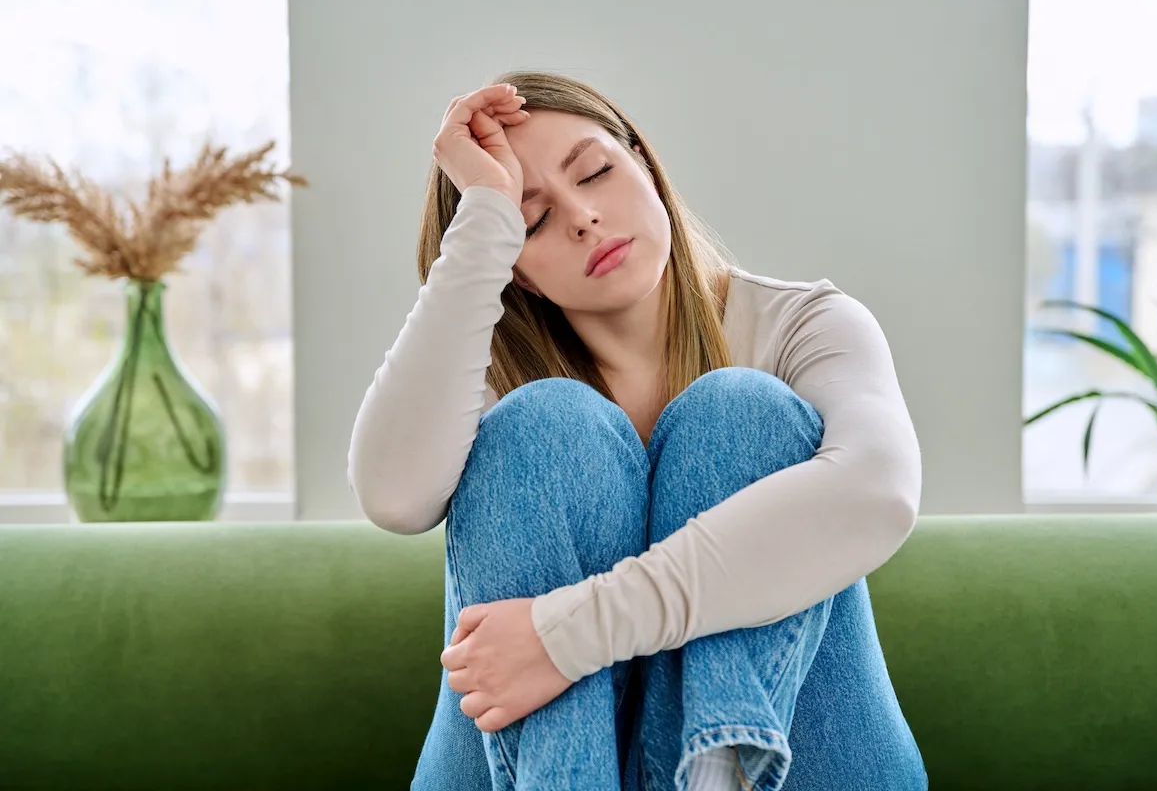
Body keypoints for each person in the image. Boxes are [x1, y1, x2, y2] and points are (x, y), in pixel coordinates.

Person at [348, 70, 927, 791]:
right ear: (517, 270)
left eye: (596, 171)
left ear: (645, 165)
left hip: (804, 762)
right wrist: (483, 226)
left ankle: (720, 774)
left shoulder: (803, 326)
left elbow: (879, 495)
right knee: (543, 426)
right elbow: (393, 497)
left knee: (743, 413)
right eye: (531, 221)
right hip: (534, 770)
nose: (583, 217)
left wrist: (567, 634)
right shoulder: (485, 388)